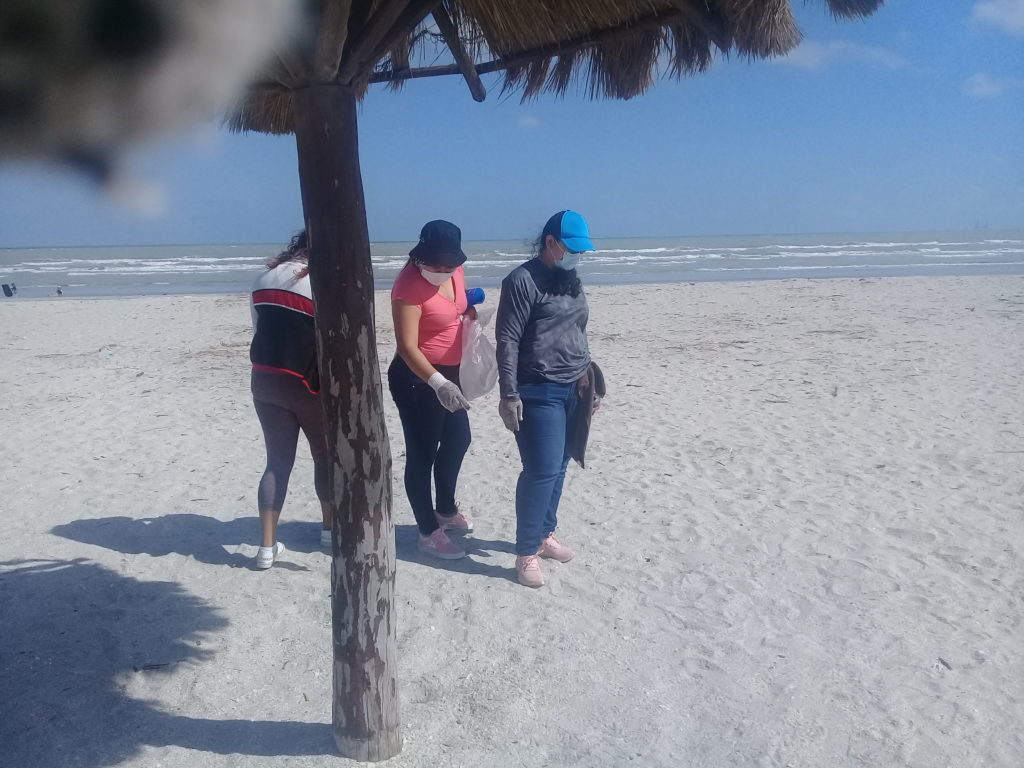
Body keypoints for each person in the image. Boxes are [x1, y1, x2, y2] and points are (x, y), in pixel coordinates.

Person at [495, 210, 596, 587]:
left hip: (575, 386)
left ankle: (544, 534)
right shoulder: (521, 281)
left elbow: (578, 330)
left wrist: (591, 384)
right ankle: (525, 553)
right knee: (541, 471)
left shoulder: (570, 277)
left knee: (562, 463)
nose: (577, 256)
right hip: (538, 390)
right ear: (551, 242)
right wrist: (509, 394)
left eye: (581, 251)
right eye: (572, 248)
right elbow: (507, 340)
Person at [388, 220, 476, 560]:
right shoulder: (407, 286)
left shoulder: (455, 270)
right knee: (422, 453)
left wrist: (469, 310)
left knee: (458, 440)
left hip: (450, 373)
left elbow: (456, 305)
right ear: (420, 257)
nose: (443, 271)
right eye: (436, 265)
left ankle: (444, 509)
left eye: (449, 265)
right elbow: (407, 347)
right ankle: (427, 531)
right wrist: (437, 383)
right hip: (416, 378)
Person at [249, 230, 331, 569]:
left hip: (265, 379)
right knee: (324, 457)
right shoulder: (321, 284)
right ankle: (329, 531)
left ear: (295, 247)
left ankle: (266, 549)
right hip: (307, 383)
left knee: (276, 463)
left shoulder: (263, 276)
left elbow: (257, 328)